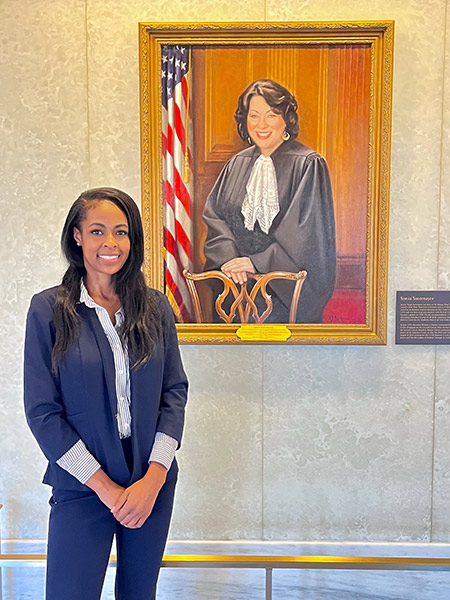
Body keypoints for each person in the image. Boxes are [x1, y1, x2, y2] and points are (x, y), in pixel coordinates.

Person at [24, 187, 188, 600]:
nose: (110, 243)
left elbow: (174, 392)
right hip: (82, 483)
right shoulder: (47, 310)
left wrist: (154, 477)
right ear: (77, 235)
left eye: (121, 232)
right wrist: (105, 488)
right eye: (97, 231)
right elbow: (43, 412)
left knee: (139, 593)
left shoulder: (155, 308)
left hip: (150, 478)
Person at [202, 79, 336, 323]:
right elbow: (215, 217)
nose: (261, 125)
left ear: (286, 119)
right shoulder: (235, 164)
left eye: (271, 115)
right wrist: (231, 259)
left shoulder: (308, 165)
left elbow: (306, 236)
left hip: (283, 299)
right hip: (234, 294)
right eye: (254, 116)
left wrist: (256, 263)